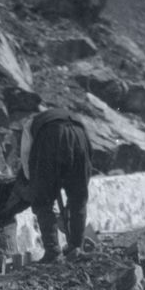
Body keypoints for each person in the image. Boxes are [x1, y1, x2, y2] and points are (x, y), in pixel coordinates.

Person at [19, 105, 94, 262]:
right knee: (78, 198)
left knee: (42, 202)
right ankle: (76, 247)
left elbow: (26, 156)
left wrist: (36, 185)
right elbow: (89, 153)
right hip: (80, 137)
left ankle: (53, 252)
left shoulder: (30, 123)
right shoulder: (73, 118)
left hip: (51, 137)